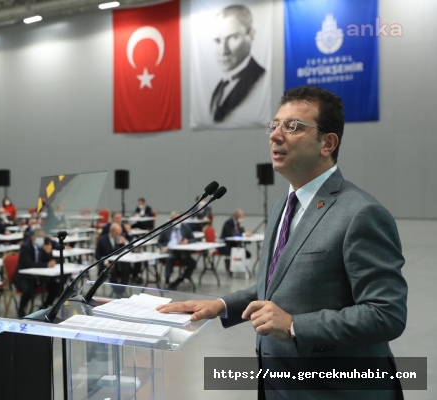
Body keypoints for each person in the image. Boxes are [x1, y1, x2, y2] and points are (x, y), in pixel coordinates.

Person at [158, 86, 407, 398]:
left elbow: (387, 313)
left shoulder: (360, 213)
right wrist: (220, 306)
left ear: (327, 143)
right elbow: (273, 286)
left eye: (293, 127)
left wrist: (294, 326)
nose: (275, 135)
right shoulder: (281, 207)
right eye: (274, 125)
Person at [209, 4, 266, 124]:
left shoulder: (259, 78)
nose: (224, 51)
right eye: (218, 41)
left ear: (250, 35)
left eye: (232, 38)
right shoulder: (219, 88)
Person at [13, 229, 59, 318]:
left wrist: (49, 254)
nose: (42, 239)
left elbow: (50, 260)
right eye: (40, 237)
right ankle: (21, 309)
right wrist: (47, 264)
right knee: (28, 288)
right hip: (24, 276)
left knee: (56, 285)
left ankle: (45, 306)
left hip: (39, 276)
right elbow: (29, 264)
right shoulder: (25, 247)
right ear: (33, 237)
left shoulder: (42, 246)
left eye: (43, 237)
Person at [158, 212, 197, 290]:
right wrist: (162, 247)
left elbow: (194, 239)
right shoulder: (166, 228)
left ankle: (180, 279)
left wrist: (187, 241)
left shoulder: (186, 228)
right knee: (170, 258)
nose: (178, 220)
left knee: (192, 262)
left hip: (182, 251)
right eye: (175, 219)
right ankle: (167, 280)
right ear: (171, 219)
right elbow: (159, 242)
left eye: (179, 218)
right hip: (170, 250)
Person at [95, 223, 131, 296]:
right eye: (117, 233)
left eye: (120, 233)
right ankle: (118, 291)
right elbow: (97, 255)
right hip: (107, 264)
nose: (118, 235)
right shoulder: (103, 240)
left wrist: (126, 242)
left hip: (118, 263)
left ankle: (121, 290)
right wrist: (105, 262)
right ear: (111, 231)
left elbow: (130, 249)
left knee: (127, 267)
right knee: (110, 270)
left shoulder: (120, 239)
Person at [219, 209, 252, 276]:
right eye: (240, 217)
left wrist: (242, 229)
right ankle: (230, 267)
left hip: (235, 245)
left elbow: (242, 233)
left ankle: (243, 269)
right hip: (226, 245)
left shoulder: (238, 224)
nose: (241, 219)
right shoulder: (228, 223)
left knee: (247, 254)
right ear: (236, 216)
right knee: (234, 252)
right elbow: (230, 234)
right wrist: (243, 234)